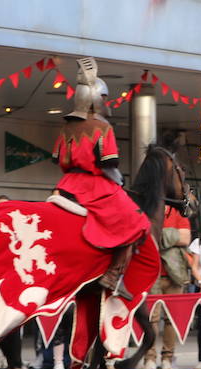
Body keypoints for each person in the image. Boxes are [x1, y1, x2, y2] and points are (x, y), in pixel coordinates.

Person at [50, 57, 152, 300]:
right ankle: (113, 274)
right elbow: (109, 163)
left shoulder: (66, 127)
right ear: (95, 98)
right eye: (104, 98)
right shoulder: (102, 127)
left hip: (65, 184)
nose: (106, 103)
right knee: (137, 222)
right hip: (94, 185)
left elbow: (56, 159)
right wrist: (119, 180)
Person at [144, 204, 191, 369]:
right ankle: (149, 358)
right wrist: (172, 236)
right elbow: (142, 237)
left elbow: (185, 238)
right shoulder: (147, 209)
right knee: (151, 319)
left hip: (174, 275)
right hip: (151, 274)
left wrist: (158, 235)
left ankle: (167, 359)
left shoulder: (178, 212)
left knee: (171, 320)